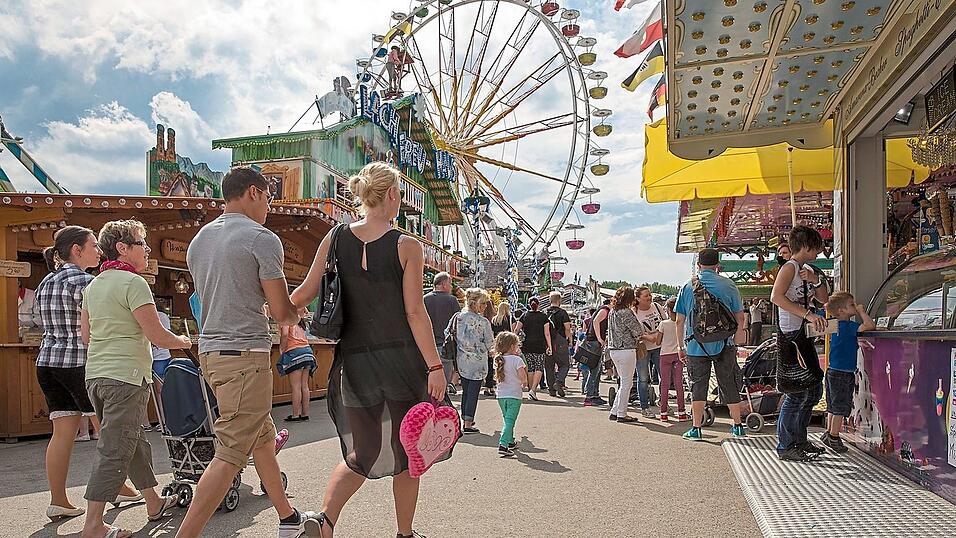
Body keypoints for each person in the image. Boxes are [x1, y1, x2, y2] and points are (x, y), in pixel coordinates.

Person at [290, 162, 450, 538]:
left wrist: (272, 306)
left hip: (355, 363)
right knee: (408, 449)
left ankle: (324, 520)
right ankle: (405, 533)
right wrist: (435, 366)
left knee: (362, 452)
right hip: (401, 362)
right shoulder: (407, 246)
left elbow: (304, 294)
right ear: (392, 194)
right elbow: (415, 312)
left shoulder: (335, 237)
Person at [180, 168, 315, 538]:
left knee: (261, 438)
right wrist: (299, 309)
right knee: (231, 452)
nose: (269, 206)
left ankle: (288, 517)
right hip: (245, 354)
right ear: (254, 192)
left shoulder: (199, 240)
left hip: (212, 352)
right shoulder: (261, 238)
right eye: (269, 197)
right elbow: (282, 312)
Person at [80, 220, 191, 538]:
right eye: (142, 243)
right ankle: (93, 524)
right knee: (115, 446)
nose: (147, 249)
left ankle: (153, 501)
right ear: (122, 248)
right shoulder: (133, 283)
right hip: (126, 376)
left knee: (132, 440)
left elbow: (86, 336)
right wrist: (182, 341)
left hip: (97, 375)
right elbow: (156, 334)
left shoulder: (94, 286)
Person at [35, 225, 139, 521]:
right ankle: (117, 487)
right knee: (109, 431)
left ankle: (58, 500)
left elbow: (38, 321)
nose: (99, 251)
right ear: (76, 250)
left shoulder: (46, 281)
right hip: (80, 363)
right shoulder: (86, 282)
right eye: (94, 246)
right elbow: (99, 323)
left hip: (48, 361)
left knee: (62, 433)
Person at [771, 225, 831, 461]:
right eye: (816, 247)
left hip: (804, 334)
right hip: (791, 335)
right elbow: (776, 297)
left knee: (813, 388)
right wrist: (808, 314)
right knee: (796, 392)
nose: (819, 252)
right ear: (806, 246)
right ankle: (786, 444)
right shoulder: (788, 268)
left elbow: (824, 299)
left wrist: (816, 280)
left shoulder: (808, 270)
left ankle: (799, 439)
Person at [675, 248, 748, 441]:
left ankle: (696, 428)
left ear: (699, 265)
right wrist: (736, 341)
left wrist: (680, 347)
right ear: (717, 265)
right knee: (729, 383)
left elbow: (679, 321)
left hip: (696, 345)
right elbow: (740, 317)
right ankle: (738, 426)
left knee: (698, 385)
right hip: (725, 343)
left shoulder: (687, 286)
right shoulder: (729, 285)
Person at [822, 292, 875, 453]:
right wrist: (862, 312)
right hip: (843, 373)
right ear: (841, 310)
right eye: (851, 305)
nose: (855, 306)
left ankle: (828, 432)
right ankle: (834, 437)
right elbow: (869, 325)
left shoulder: (835, 326)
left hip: (832, 371)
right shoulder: (849, 326)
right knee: (840, 408)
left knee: (832, 406)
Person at [454, 288, 495, 433]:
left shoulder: (458, 317)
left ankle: (465, 418)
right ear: (475, 303)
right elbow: (490, 343)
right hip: (478, 362)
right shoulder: (483, 322)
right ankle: (468, 423)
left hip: (462, 359)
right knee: (473, 392)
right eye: (483, 303)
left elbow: (449, 333)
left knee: (466, 391)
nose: (485, 306)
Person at [606, 287, 645, 423]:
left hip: (614, 350)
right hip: (626, 349)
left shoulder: (612, 311)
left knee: (623, 382)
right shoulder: (626, 312)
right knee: (626, 384)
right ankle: (622, 414)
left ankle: (615, 411)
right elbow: (637, 331)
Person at [633, 286, 667, 417]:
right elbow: (634, 331)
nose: (649, 298)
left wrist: (659, 337)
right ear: (638, 298)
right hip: (643, 348)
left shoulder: (657, 307)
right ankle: (644, 407)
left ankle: (663, 402)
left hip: (659, 347)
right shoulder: (634, 312)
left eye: (649, 295)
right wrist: (648, 337)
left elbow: (666, 324)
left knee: (664, 375)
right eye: (646, 296)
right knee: (643, 378)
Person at [424, 272, 461, 395]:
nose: (451, 287)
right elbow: (458, 322)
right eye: (450, 283)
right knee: (443, 382)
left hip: (427, 345)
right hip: (446, 346)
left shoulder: (425, 299)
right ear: (444, 284)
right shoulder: (452, 300)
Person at [494, 331, 527, 458]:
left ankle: (510, 441)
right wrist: (524, 383)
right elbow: (523, 377)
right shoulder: (517, 360)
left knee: (507, 419)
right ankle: (503, 444)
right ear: (512, 346)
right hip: (514, 395)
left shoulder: (498, 360)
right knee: (510, 420)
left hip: (501, 395)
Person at [278, 318, 318, 422]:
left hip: (294, 353)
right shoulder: (301, 323)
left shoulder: (287, 319)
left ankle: (295, 415)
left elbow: (285, 334)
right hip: (307, 352)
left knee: (296, 386)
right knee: (304, 386)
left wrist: (282, 349)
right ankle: (305, 414)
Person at [513, 297, 551, 401]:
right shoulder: (543, 317)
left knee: (530, 368)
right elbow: (547, 333)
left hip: (527, 345)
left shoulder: (524, 315)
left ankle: (530, 389)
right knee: (539, 367)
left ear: (529, 305)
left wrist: (514, 343)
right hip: (540, 345)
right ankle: (533, 390)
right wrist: (549, 346)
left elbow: (516, 329)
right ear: (539, 304)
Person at [657, 298, 687, 422]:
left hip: (665, 355)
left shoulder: (663, 324)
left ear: (669, 310)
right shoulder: (683, 324)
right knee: (679, 384)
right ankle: (682, 412)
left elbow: (658, 341)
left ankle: (663, 413)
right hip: (678, 354)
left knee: (665, 384)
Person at [544, 290, 572, 398]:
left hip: (547, 341)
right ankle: (559, 381)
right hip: (560, 340)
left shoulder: (545, 312)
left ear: (550, 300)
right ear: (559, 300)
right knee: (564, 364)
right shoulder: (563, 313)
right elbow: (567, 328)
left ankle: (551, 389)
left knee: (549, 366)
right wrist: (569, 339)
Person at [582, 300, 609, 407]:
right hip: (594, 343)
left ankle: (594, 395)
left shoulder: (603, 310)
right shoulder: (605, 310)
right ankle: (589, 396)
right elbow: (596, 321)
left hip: (594, 342)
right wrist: (599, 338)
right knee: (594, 370)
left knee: (597, 370)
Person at [482, 299, 498, 396]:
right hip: (490, 345)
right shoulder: (493, 319)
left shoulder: (481, 318)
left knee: (486, 366)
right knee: (491, 366)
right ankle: (489, 386)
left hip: (482, 346)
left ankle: (488, 386)